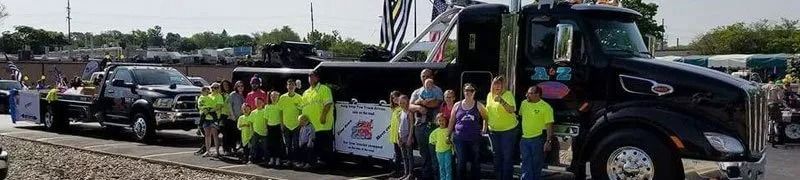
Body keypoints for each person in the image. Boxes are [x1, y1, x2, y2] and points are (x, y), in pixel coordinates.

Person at [448, 83, 488, 180]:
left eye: (471, 90)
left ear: (474, 92)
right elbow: (452, 120)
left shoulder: (478, 105)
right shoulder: (457, 105)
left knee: (475, 162)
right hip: (459, 138)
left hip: (474, 138)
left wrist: (484, 129)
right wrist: (448, 135)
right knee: (461, 162)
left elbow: (486, 118)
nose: (468, 92)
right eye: (466, 90)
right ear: (463, 91)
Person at [410, 69, 443, 178]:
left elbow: (436, 103)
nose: (425, 78)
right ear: (421, 77)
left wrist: (422, 103)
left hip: (433, 127)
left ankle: (436, 176)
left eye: (427, 76)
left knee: (434, 154)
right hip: (419, 126)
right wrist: (418, 107)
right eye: (423, 76)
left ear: (432, 77)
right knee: (423, 154)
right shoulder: (416, 92)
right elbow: (410, 106)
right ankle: (426, 176)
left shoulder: (437, 90)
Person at [486, 76, 519, 180]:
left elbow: (512, 109)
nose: (497, 86)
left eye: (500, 84)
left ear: (503, 86)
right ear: (492, 85)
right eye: (495, 83)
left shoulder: (508, 95)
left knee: (507, 157)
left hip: (508, 131)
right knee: (496, 157)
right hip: (493, 131)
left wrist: (501, 101)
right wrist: (484, 126)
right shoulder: (489, 95)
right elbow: (487, 112)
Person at [519, 86, 554, 180]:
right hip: (524, 139)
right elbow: (521, 116)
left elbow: (549, 125)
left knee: (536, 165)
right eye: (527, 92)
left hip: (538, 140)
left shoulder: (546, 107)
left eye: (530, 93)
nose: (527, 95)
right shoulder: (524, 103)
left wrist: (548, 141)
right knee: (525, 163)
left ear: (537, 94)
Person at [301, 71, 335, 166]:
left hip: (322, 124)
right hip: (311, 126)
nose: (311, 79)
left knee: (324, 146)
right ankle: (314, 163)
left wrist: (323, 115)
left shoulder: (324, 89)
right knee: (313, 146)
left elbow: (328, 103)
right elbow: (303, 108)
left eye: (313, 77)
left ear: (317, 78)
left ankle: (326, 165)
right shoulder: (306, 92)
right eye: (309, 77)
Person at [279, 79, 304, 167]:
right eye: (289, 85)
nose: (290, 86)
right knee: (288, 145)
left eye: (292, 85)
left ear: (295, 86)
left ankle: (296, 160)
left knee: (296, 144)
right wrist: (282, 124)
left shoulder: (299, 97)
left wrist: (301, 124)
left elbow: (301, 111)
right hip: (286, 125)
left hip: (296, 125)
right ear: (287, 86)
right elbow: (280, 112)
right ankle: (289, 160)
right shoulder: (282, 97)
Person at [397, 94, 416, 180]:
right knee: (404, 157)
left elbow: (412, 126)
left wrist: (409, 138)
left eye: (404, 103)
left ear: (407, 103)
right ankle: (406, 173)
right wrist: (398, 137)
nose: (402, 104)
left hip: (408, 137)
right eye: (400, 103)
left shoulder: (409, 113)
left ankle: (411, 174)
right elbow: (399, 126)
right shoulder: (400, 113)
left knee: (409, 156)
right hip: (401, 137)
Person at [429, 113, 453, 180]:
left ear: (446, 121)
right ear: (437, 121)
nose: (441, 122)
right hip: (439, 152)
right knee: (441, 167)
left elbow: (452, 140)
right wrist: (436, 143)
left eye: (443, 120)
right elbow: (431, 139)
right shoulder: (435, 131)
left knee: (448, 167)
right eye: (439, 120)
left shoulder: (449, 130)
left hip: (447, 151)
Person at [265, 91, 285, 167]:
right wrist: (266, 128)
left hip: (277, 126)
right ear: (270, 97)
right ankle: (271, 158)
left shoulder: (279, 105)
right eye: (272, 96)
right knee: (270, 144)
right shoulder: (267, 106)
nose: (273, 98)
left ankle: (277, 158)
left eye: (275, 96)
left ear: (278, 97)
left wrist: (282, 125)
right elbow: (266, 119)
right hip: (270, 127)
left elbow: (281, 116)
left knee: (278, 144)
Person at [207, 83, 226, 157]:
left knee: (215, 135)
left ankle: (217, 151)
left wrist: (210, 110)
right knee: (208, 135)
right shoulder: (208, 96)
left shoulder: (219, 96)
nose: (214, 89)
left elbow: (219, 106)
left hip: (215, 117)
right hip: (207, 117)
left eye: (216, 87)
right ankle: (208, 151)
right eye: (212, 87)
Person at [388, 90, 403, 176]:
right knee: (397, 153)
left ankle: (401, 171)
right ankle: (397, 170)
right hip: (394, 134)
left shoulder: (402, 108)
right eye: (393, 98)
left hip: (400, 134)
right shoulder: (394, 109)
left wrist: (400, 134)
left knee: (401, 154)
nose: (394, 99)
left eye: (396, 97)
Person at [229, 81, 247, 154]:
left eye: (242, 86)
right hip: (235, 117)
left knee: (241, 134)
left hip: (242, 117)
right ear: (236, 87)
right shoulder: (233, 94)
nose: (240, 87)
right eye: (238, 86)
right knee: (234, 134)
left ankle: (241, 148)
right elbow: (230, 105)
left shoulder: (244, 95)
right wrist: (232, 115)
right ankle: (233, 148)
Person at [250, 97, 269, 164]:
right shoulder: (253, 112)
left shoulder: (265, 111)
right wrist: (252, 131)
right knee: (254, 146)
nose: (258, 104)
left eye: (260, 102)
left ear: (263, 103)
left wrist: (267, 129)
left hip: (264, 132)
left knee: (265, 147)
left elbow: (267, 121)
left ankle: (266, 159)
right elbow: (251, 122)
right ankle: (253, 159)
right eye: (257, 102)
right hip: (255, 132)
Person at [218, 80, 235, 155]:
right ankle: (226, 149)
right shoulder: (221, 95)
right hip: (223, 116)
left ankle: (232, 148)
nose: (226, 86)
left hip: (232, 115)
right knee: (225, 133)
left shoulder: (232, 94)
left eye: (227, 85)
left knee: (232, 133)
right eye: (224, 85)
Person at [195, 87, 211, 156]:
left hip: (210, 117)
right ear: (202, 92)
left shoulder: (209, 97)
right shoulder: (201, 98)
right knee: (206, 135)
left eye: (208, 92)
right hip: (204, 116)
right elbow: (200, 106)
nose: (207, 93)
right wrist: (206, 108)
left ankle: (207, 149)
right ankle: (206, 149)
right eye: (206, 91)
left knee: (209, 135)